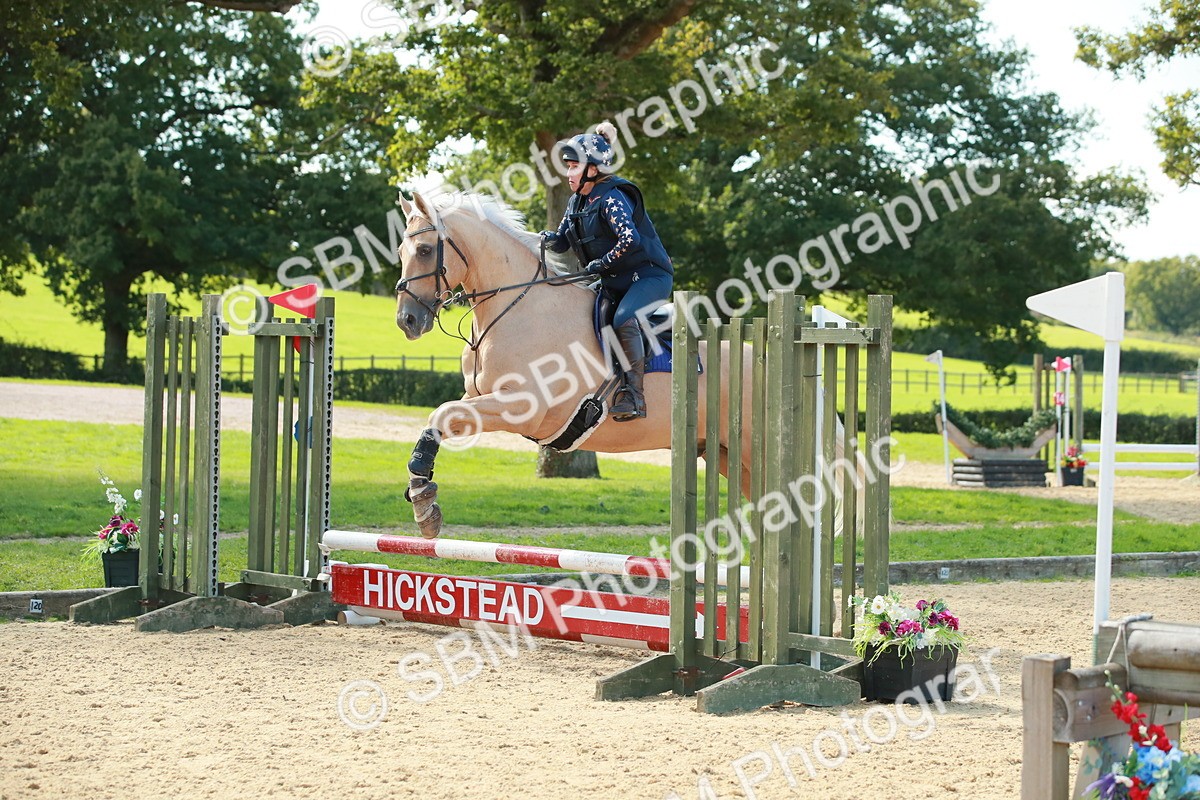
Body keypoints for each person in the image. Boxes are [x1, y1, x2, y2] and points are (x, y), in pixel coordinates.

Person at [541, 122, 674, 422]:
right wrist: (543, 239)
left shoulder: (613, 196)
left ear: (593, 169)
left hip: (650, 277)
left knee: (623, 319)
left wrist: (600, 264)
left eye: (574, 167)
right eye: (568, 166)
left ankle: (634, 396)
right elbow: (561, 242)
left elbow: (629, 240)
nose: (569, 173)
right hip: (615, 281)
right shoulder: (576, 201)